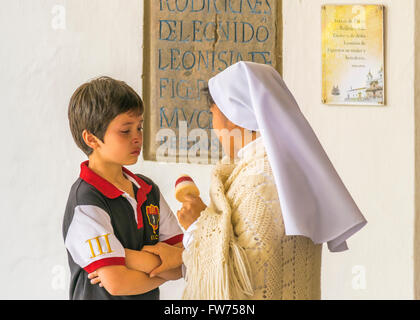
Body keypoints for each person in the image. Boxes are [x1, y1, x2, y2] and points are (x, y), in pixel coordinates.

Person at [143, 61, 367, 300]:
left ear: (233, 115)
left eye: (213, 116)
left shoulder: (258, 180)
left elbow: (241, 277)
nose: (215, 128)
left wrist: (198, 224)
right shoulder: (285, 168)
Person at [63, 76, 184, 300]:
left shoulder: (148, 190)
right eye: (125, 131)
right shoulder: (86, 200)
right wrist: (162, 268)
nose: (137, 137)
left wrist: (127, 257)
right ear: (91, 139)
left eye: (139, 127)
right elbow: (118, 283)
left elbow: (181, 263)